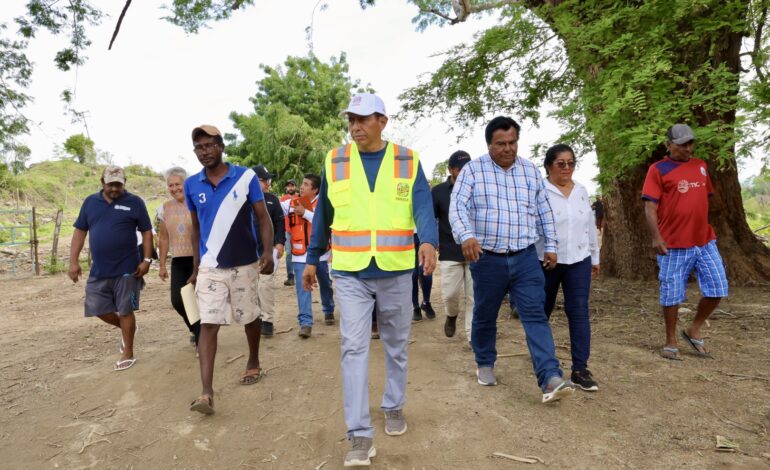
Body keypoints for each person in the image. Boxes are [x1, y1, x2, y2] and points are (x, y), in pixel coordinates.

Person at [302, 93, 438, 467]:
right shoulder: (336, 160)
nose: (355, 126)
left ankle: (393, 405)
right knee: (352, 347)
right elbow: (323, 214)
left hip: (396, 269)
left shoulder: (407, 160)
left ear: (382, 121)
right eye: (351, 120)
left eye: (363, 119)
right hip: (350, 272)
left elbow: (422, 205)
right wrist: (312, 259)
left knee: (396, 344)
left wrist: (428, 240)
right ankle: (359, 434)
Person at [449, 116, 574, 403]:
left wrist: (551, 245)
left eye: (512, 142)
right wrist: (466, 235)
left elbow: (543, 211)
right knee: (485, 313)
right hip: (487, 259)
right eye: (500, 144)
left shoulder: (530, 171)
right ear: (489, 145)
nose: (508, 149)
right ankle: (485, 361)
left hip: (525, 258)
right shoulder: (473, 171)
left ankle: (550, 377)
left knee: (535, 314)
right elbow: (457, 208)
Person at [185, 125, 274, 415]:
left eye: (210, 145)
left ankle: (253, 360)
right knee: (208, 324)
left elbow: (263, 217)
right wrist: (196, 267)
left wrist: (267, 252)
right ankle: (206, 393)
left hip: (244, 263)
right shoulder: (191, 184)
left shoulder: (245, 177)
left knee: (249, 317)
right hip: (210, 266)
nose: (204, 152)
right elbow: (196, 227)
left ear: (221, 147)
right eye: (199, 147)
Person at [642, 124, 728, 360]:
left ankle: (694, 329)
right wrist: (656, 236)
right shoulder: (658, 169)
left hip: (704, 241)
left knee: (718, 287)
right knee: (671, 294)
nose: (688, 149)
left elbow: (703, 199)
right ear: (669, 145)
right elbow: (650, 207)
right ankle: (670, 341)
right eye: (682, 145)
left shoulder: (700, 166)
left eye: (690, 143)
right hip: (672, 244)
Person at [68, 165, 152, 371]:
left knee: (125, 310)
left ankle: (128, 353)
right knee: (97, 308)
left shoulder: (135, 202)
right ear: (102, 182)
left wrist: (147, 260)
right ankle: (128, 329)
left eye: (118, 185)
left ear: (124, 183)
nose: (114, 188)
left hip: (128, 268)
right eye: (110, 184)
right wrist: (73, 261)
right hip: (99, 269)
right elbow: (80, 232)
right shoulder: (90, 203)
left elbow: (147, 231)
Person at [536, 144, 600, 391]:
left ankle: (580, 369)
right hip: (546, 261)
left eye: (571, 163)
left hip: (578, 260)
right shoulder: (539, 190)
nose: (566, 168)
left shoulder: (581, 190)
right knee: (542, 311)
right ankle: (544, 363)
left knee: (579, 311)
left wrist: (595, 258)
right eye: (560, 163)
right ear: (548, 166)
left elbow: (589, 226)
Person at [281, 173, 335, 338]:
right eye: (302, 184)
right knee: (302, 288)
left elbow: (324, 222)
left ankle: (328, 309)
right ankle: (305, 323)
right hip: (299, 255)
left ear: (315, 189)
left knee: (325, 284)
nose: (302, 187)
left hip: (321, 255)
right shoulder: (292, 203)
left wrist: (304, 212)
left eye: (306, 184)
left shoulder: (324, 204)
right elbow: (277, 207)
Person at [431, 150, 474, 343]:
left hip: (475, 252)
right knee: (450, 295)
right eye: (459, 169)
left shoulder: (478, 188)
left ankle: (472, 337)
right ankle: (451, 315)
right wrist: (430, 244)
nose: (464, 172)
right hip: (449, 251)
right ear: (450, 170)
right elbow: (430, 219)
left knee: (474, 297)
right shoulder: (438, 192)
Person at [157, 167, 200, 352]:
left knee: (197, 299)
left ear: (185, 184)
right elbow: (163, 238)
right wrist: (162, 265)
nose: (174, 188)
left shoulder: (196, 203)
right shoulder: (165, 208)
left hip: (198, 259)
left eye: (178, 184)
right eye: (171, 185)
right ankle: (197, 330)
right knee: (178, 301)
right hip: (179, 261)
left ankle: (201, 339)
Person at [253, 164, 287, 338]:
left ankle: (267, 320)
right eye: (264, 180)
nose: (267, 183)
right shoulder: (242, 200)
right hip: (248, 252)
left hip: (269, 250)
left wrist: (280, 243)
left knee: (265, 284)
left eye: (268, 180)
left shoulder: (273, 199)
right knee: (252, 286)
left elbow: (280, 222)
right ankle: (256, 318)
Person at [410, 234, 435, 322]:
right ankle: (416, 307)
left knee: (426, 272)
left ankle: (426, 302)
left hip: (424, 235)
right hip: (408, 236)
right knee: (413, 274)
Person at [281, 179, 298, 287]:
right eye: (288, 186)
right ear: (286, 188)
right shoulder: (283, 199)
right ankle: (290, 277)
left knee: (301, 252)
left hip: (299, 230)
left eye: (292, 186)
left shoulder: (300, 197)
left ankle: (304, 275)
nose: (290, 188)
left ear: (296, 187)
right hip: (287, 230)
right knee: (288, 254)